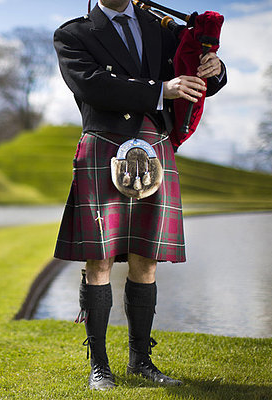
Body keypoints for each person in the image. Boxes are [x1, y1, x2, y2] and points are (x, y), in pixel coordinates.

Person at [53, 0, 227, 390]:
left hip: (155, 143)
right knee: (98, 262)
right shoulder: (74, 33)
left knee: (146, 260)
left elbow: (191, 69)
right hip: (103, 144)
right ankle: (100, 366)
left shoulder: (162, 28)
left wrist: (215, 70)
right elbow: (93, 85)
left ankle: (141, 362)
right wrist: (160, 89)